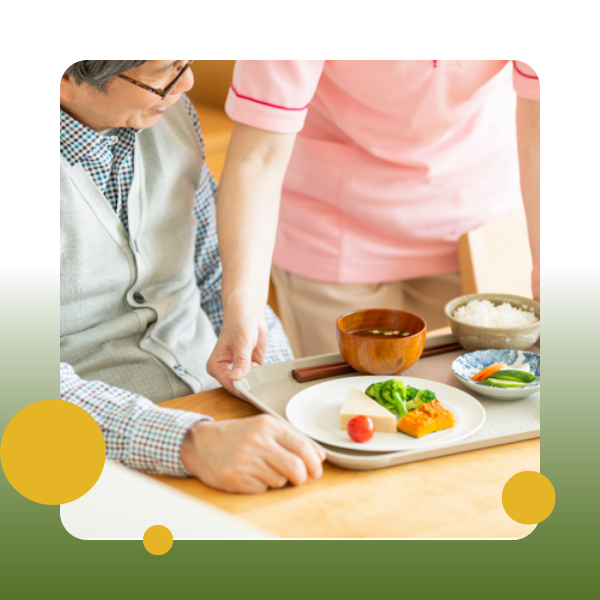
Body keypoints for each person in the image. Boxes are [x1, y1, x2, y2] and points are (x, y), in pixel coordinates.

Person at [60, 60, 325, 494]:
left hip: (222, 417)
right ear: (69, 81)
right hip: (98, 451)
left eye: (185, 61)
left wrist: (277, 387)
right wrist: (189, 441)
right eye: (163, 73)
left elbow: (214, 269)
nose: (188, 82)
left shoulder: (170, 119)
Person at [206, 60, 540, 382]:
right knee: (351, 410)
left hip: (474, 218)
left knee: (469, 408)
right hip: (333, 228)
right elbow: (257, 159)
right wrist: (244, 303)